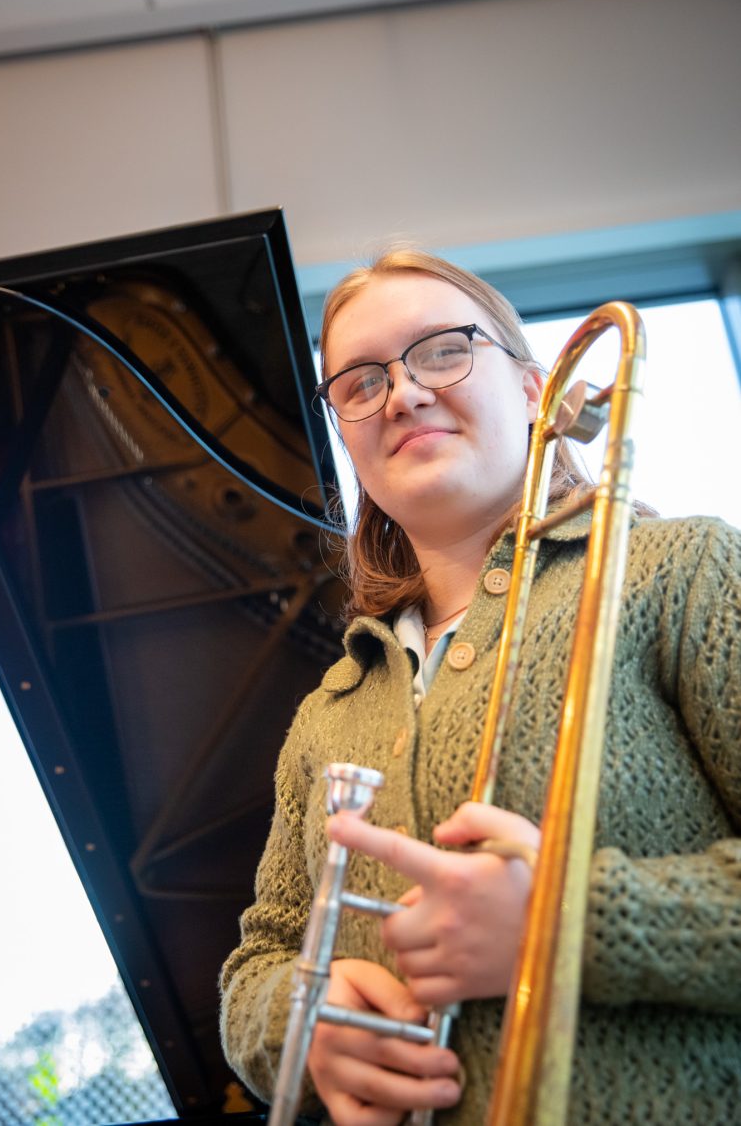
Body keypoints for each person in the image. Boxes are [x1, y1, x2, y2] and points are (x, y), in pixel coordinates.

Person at [219, 249, 741, 1125]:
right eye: (359, 382)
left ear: (539, 391)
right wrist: (297, 1023)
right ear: (346, 432)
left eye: (441, 350)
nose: (403, 394)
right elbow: (257, 961)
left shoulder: (681, 571)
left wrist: (574, 923)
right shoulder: (325, 712)